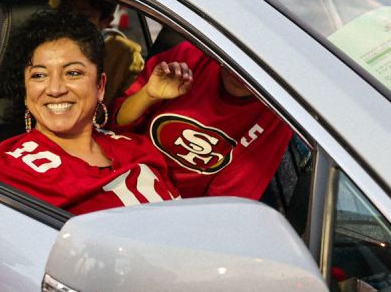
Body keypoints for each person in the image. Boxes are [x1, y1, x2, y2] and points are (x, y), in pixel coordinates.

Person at [0, 8, 179, 214]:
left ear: (100, 86)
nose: (55, 89)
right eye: (39, 75)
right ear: (25, 92)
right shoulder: (12, 170)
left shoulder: (136, 148)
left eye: (73, 73)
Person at [110, 40, 293, 200]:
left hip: (170, 207)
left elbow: (224, 203)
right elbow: (115, 124)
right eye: (238, 52)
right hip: (117, 174)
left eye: (256, 63)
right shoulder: (188, 58)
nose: (240, 70)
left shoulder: (275, 116)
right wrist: (148, 94)